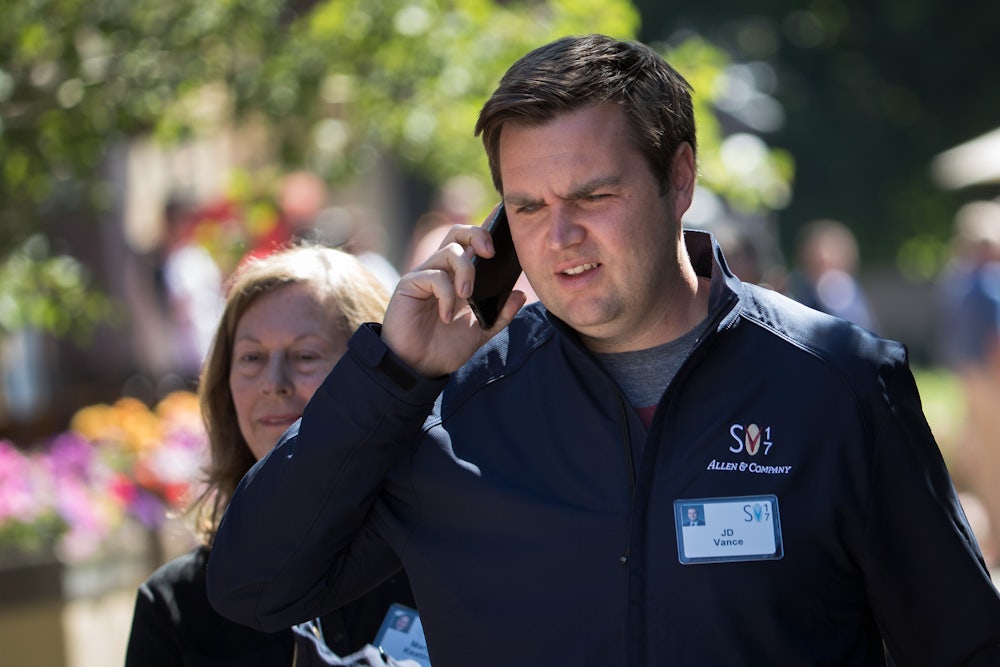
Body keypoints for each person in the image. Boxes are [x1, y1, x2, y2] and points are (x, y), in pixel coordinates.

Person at [207, 35, 1000, 665]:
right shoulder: (447, 411)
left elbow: (964, 645)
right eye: (528, 206)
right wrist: (393, 373)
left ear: (678, 178)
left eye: (594, 195)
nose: (561, 237)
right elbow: (253, 584)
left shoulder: (840, 386)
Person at [125, 244, 415, 666]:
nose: (273, 382)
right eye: (252, 358)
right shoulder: (175, 604)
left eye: (305, 356)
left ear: (373, 378)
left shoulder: (440, 559)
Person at [934, 199, 1000, 565]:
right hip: (991, 383)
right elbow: (996, 344)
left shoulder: (954, 282)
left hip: (966, 379)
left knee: (979, 466)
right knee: (995, 468)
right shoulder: (987, 284)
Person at [789, 218, 880, 332]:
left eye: (829, 264)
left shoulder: (848, 298)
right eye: (815, 265)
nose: (824, 276)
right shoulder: (795, 287)